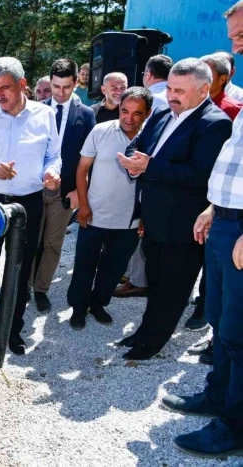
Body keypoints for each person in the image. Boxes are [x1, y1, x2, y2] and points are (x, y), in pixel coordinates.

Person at [161, 0, 243, 457]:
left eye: (241, 36)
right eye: (233, 35)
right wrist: (215, 207)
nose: (233, 44)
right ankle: (217, 397)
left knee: (239, 331)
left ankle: (234, 424)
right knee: (221, 321)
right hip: (226, 220)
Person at [115, 58, 232, 360]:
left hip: (183, 226)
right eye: (169, 88)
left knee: (172, 289)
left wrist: (150, 166)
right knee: (155, 283)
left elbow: (201, 175)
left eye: (179, 90)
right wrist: (132, 162)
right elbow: (137, 144)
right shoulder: (163, 113)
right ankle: (144, 333)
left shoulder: (215, 124)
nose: (171, 96)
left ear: (204, 89)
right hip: (153, 220)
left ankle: (151, 344)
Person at [0, 57, 61, 355]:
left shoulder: (45, 115)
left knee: (19, 269)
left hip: (28, 204)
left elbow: (53, 155)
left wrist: (53, 172)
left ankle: (12, 331)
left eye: (5, 87)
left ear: (22, 84)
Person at [67, 87, 152, 329]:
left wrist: (145, 216)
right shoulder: (101, 131)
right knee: (85, 264)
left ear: (147, 113)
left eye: (137, 113)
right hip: (94, 215)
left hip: (130, 220)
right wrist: (83, 205)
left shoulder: (151, 137)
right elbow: (82, 170)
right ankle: (79, 308)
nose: (129, 118)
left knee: (114, 268)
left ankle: (98, 303)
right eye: (125, 110)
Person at [31, 59, 96, 313]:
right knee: (31, 240)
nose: (60, 93)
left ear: (76, 83)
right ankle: (23, 286)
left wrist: (80, 192)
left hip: (66, 191)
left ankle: (40, 289)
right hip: (36, 188)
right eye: (55, 86)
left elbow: (89, 158)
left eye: (66, 87)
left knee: (53, 242)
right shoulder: (37, 110)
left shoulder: (87, 115)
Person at [116, 55, 174, 301]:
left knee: (141, 230)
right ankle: (133, 275)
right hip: (153, 178)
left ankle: (138, 280)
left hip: (150, 180)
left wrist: (137, 164)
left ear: (148, 74)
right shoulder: (167, 105)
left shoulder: (156, 103)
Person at [201, 53, 243, 121]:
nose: (200, 79)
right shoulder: (191, 102)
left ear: (222, 79)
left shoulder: (235, 109)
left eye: (207, 74)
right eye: (199, 74)